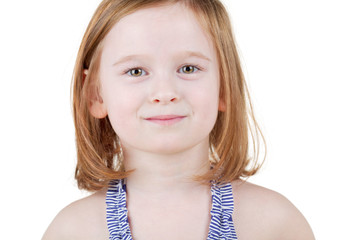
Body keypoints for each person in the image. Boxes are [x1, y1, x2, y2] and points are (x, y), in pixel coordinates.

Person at [42, 0, 315, 239]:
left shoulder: (276, 225)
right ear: (95, 94)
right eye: (136, 71)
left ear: (225, 87)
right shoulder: (71, 231)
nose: (165, 93)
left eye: (188, 68)